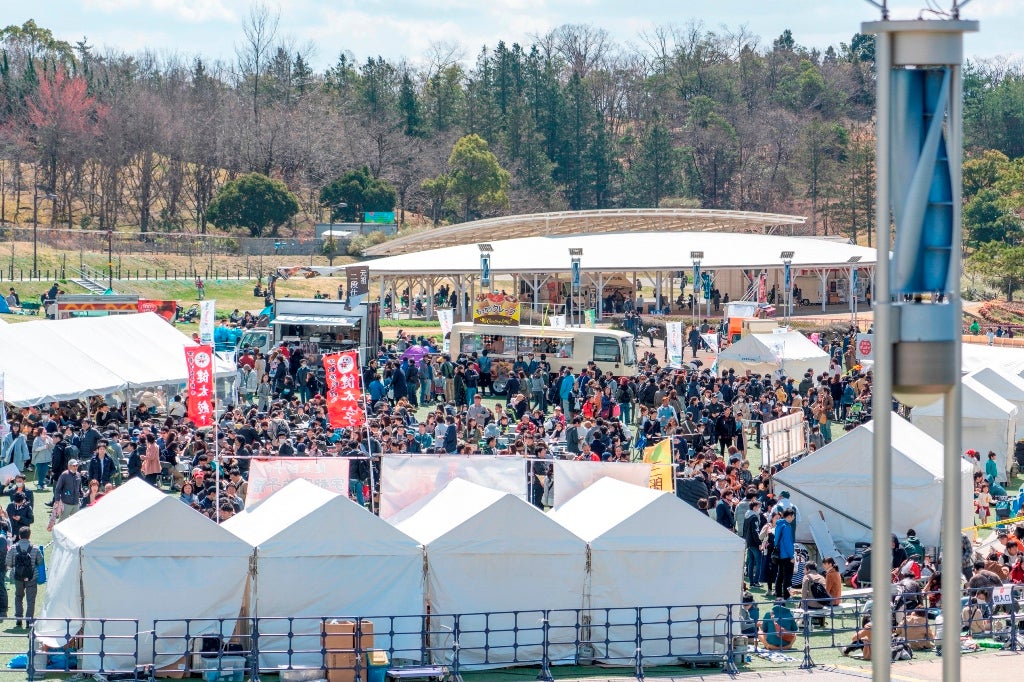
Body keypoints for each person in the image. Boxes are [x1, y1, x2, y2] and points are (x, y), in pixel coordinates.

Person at [6, 526, 41, 629]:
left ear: (20, 536)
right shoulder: (35, 548)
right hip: (31, 577)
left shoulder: (13, 548)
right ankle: (29, 621)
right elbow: (39, 561)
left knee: (18, 597)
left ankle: (19, 619)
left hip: (18, 577)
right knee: (31, 600)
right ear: (29, 536)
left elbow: (8, 562)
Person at [774, 508, 797, 599]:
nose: (794, 518)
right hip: (786, 555)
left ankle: (778, 594)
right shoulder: (787, 526)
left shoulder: (779, 525)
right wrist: (792, 556)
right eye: (793, 516)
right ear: (790, 516)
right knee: (787, 577)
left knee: (780, 576)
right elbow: (788, 543)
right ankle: (787, 596)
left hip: (779, 554)